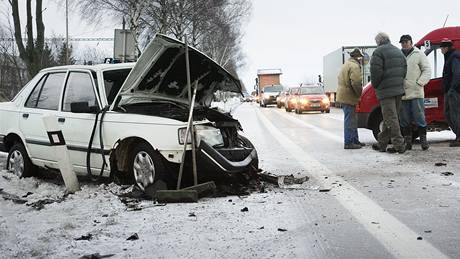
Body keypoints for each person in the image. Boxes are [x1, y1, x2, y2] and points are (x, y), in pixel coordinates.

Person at [370, 32, 407, 153]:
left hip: (386, 91)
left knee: (391, 118)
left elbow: (376, 73)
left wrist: (375, 85)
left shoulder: (378, 52)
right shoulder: (398, 51)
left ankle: (399, 145)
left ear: (379, 42)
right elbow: (404, 69)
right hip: (398, 90)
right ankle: (382, 143)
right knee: (390, 117)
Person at [399, 34, 431, 150]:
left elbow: (426, 70)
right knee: (404, 119)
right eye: (402, 42)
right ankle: (408, 142)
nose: (404, 44)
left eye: (406, 42)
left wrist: (420, 82)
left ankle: (423, 141)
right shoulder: (398, 55)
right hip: (402, 93)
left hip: (416, 92)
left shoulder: (419, 54)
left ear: (411, 42)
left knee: (420, 118)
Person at [337, 48, 364, 149]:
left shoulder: (346, 64)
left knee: (352, 119)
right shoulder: (354, 66)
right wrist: (359, 93)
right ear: (358, 57)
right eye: (360, 58)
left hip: (344, 96)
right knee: (350, 120)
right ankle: (349, 142)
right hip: (349, 96)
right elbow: (356, 82)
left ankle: (354, 140)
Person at [440, 38, 460, 147]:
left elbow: (457, 74)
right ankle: (458, 135)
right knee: (448, 114)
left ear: (446, 47)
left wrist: (452, 88)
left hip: (454, 91)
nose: (440, 50)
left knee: (455, 114)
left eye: (442, 48)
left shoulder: (454, 57)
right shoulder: (450, 56)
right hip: (449, 91)